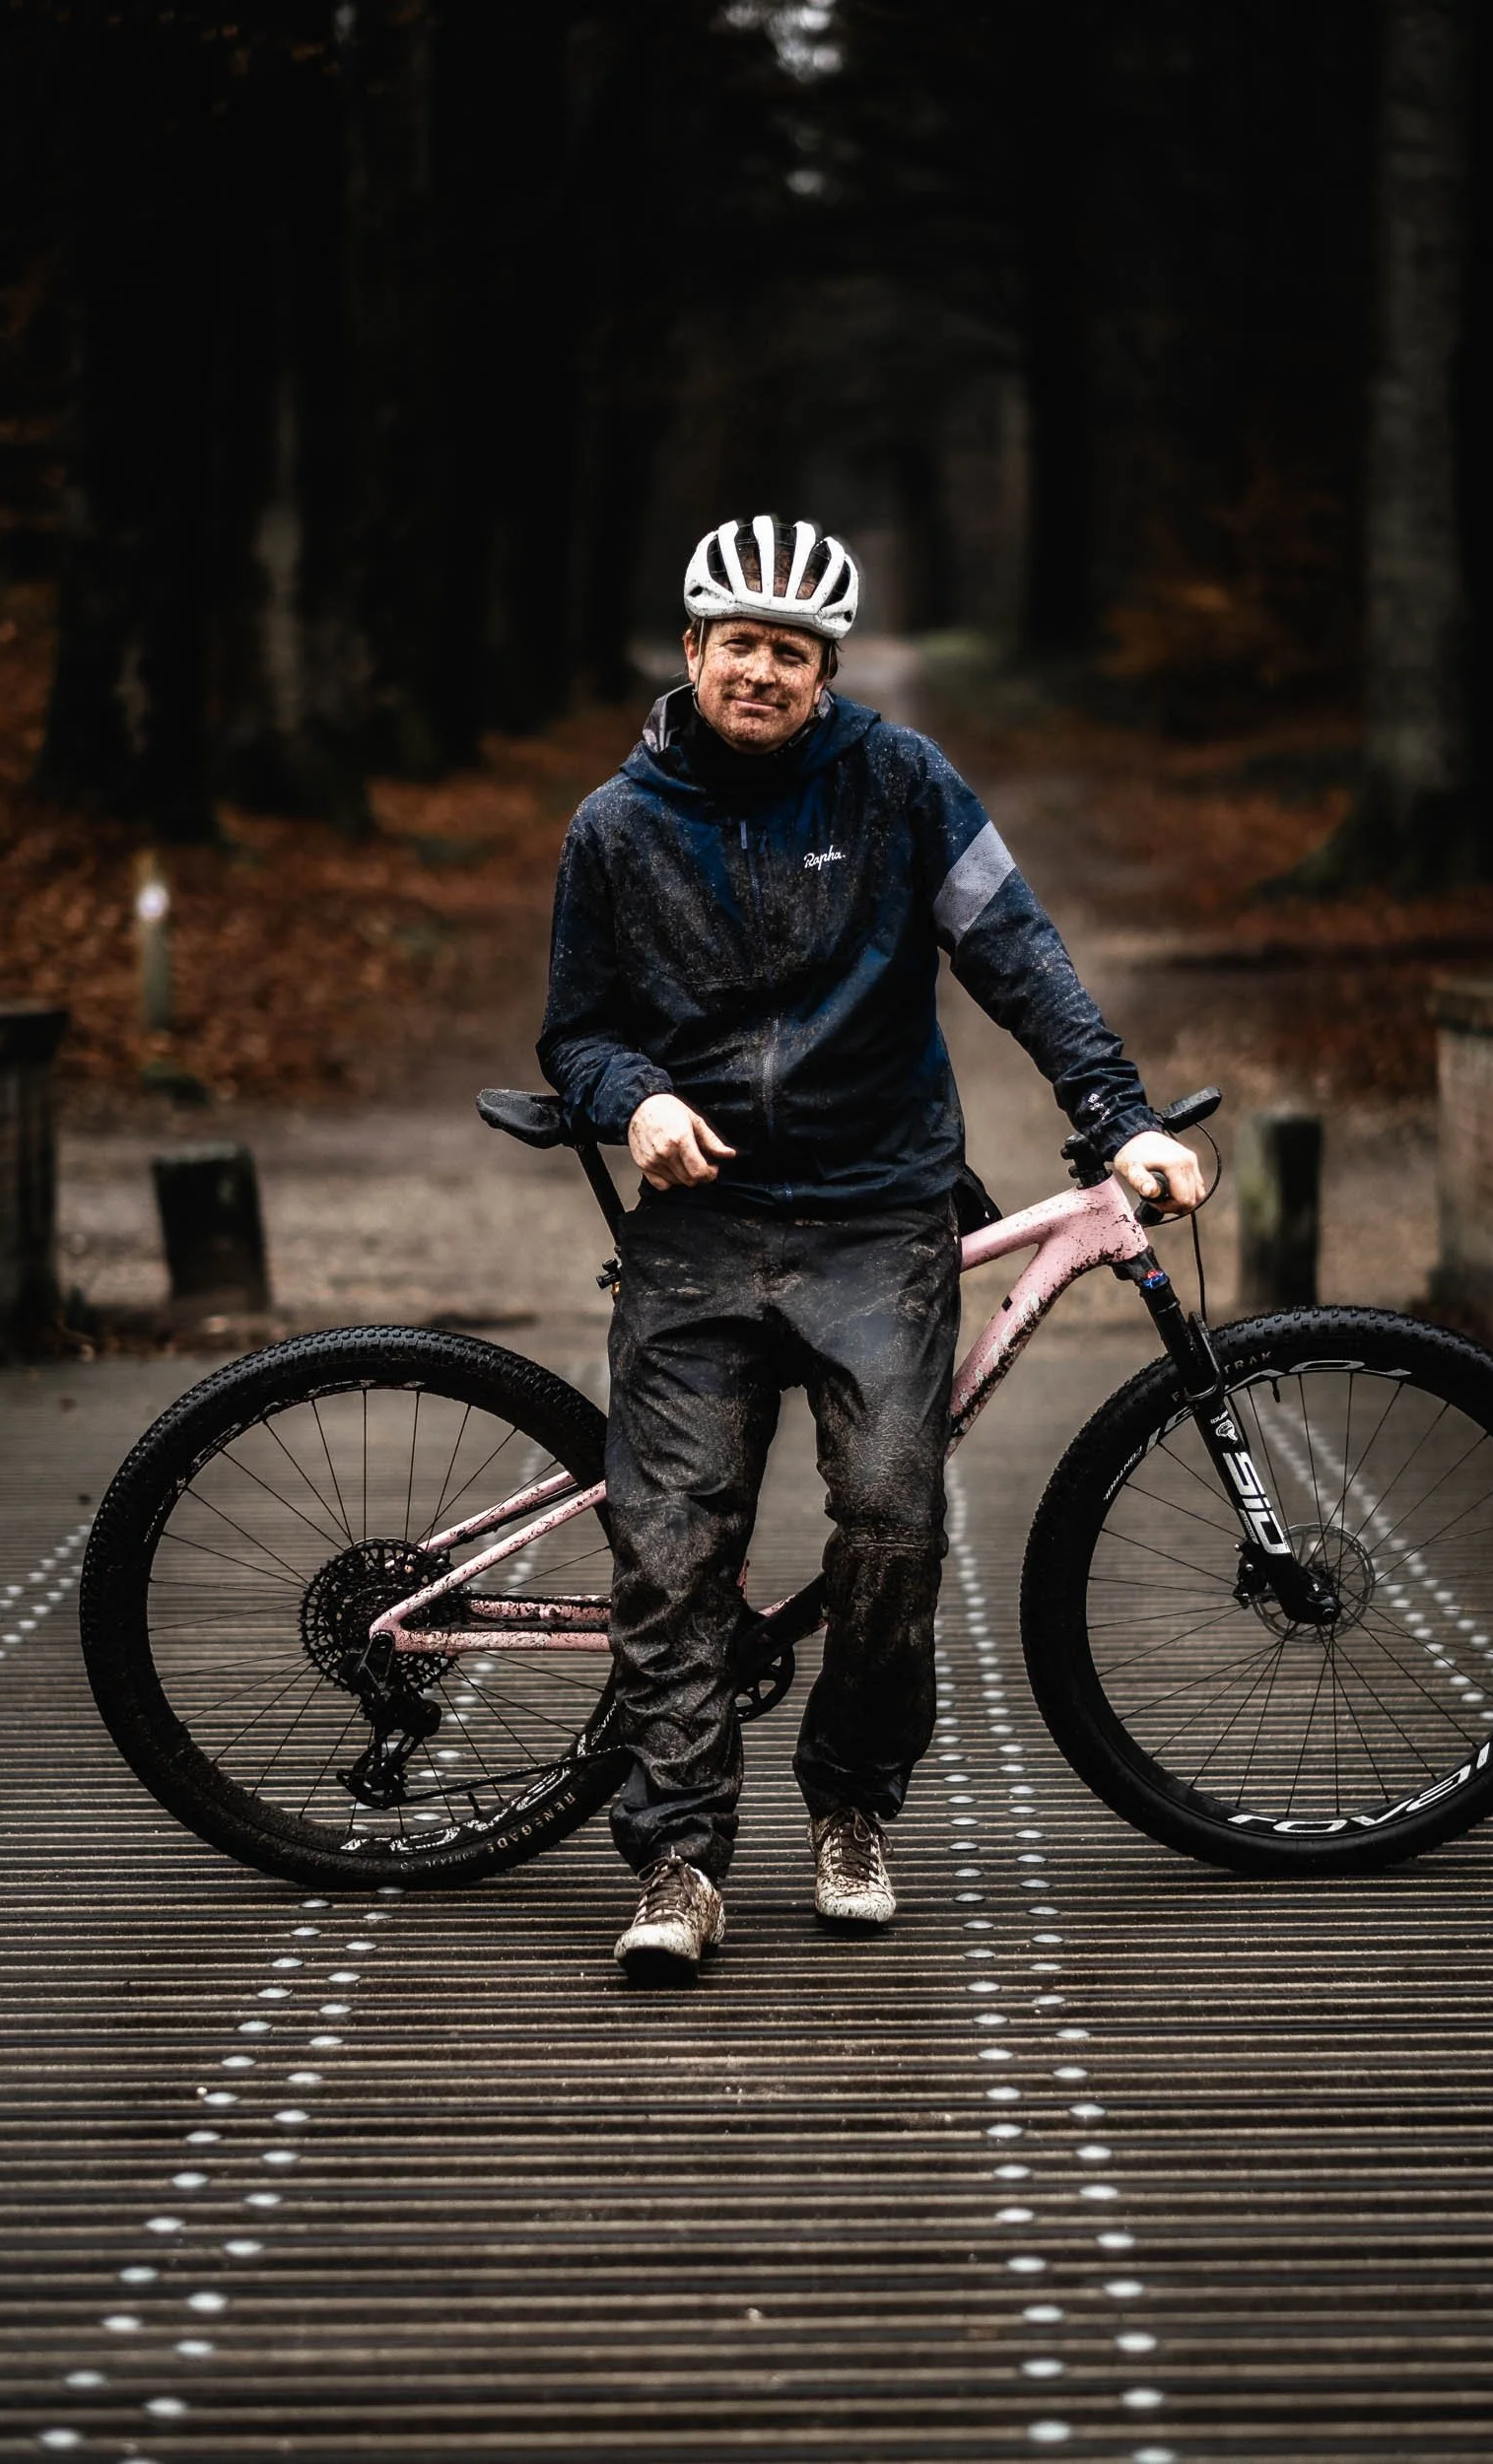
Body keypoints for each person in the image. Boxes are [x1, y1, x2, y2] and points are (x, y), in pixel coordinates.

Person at [538, 513, 1202, 1981]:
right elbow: (573, 1032)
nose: (761, 672)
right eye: (737, 646)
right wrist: (632, 1097)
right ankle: (676, 1862)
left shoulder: (900, 787)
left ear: (825, 671)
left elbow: (1019, 955)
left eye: (791, 652)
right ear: (691, 652)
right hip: (697, 1232)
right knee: (668, 1548)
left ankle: (849, 1807)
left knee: (893, 1520)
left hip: (875, 1213)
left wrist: (1121, 1119)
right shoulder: (615, 826)